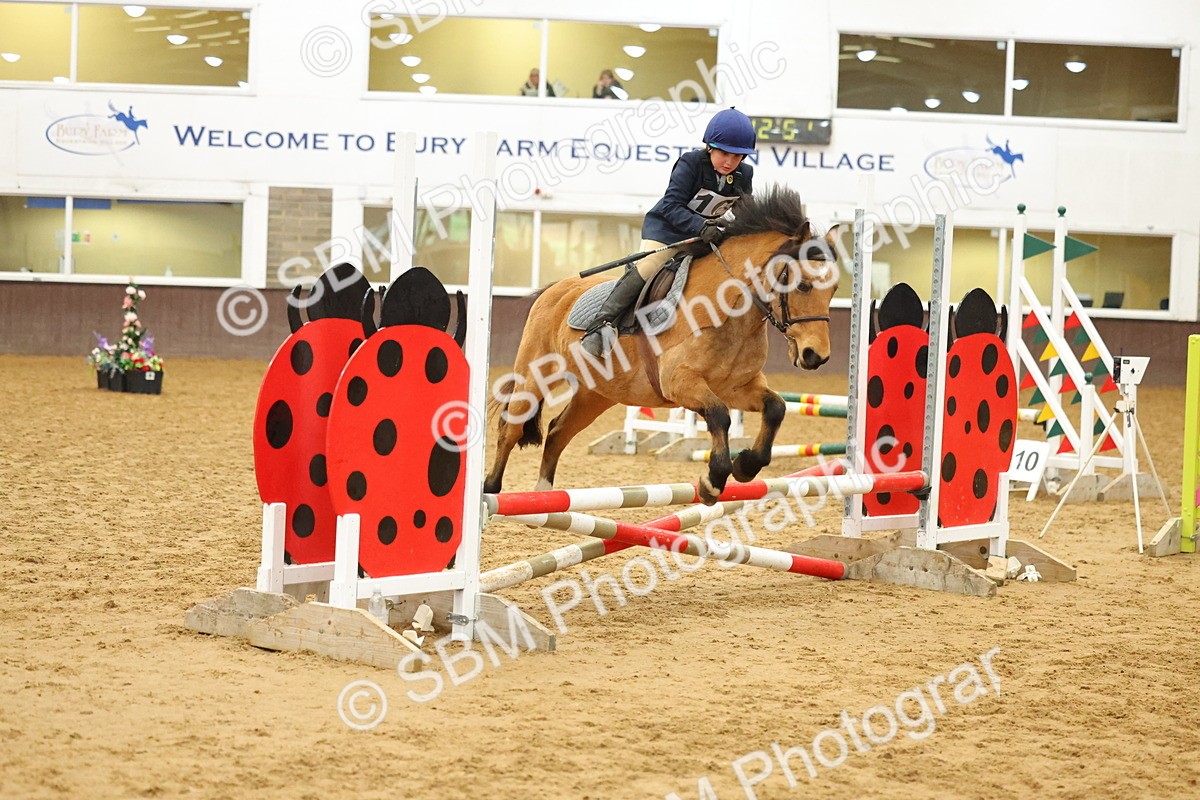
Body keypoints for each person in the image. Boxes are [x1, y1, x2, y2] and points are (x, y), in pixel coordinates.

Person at [580, 107, 756, 357]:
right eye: (724, 153)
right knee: (650, 266)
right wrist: (701, 226)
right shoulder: (691, 163)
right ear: (710, 147)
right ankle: (600, 324)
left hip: (703, 240)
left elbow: (745, 211)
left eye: (737, 157)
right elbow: (672, 205)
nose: (729, 162)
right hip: (667, 233)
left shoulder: (743, 174)